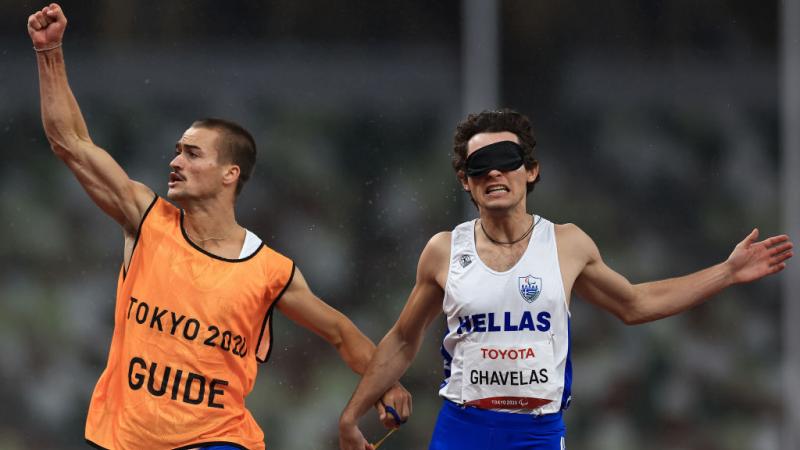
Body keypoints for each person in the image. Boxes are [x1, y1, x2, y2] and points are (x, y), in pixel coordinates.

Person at [27, 4, 410, 450]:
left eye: (192, 154)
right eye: (176, 151)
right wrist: (49, 51)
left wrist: (386, 384)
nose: (174, 162)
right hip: (125, 438)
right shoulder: (145, 219)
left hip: (217, 440)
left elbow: (341, 333)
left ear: (230, 173)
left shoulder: (269, 271)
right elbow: (70, 143)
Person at [338, 108, 794, 450]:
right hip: (465, 428)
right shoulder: (443, 250)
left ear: (530, 171)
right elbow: (402, 340)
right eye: (480, 165)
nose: (494, 171)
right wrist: (351, 416)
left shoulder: (567, 244)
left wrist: (728, 271)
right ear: (465, 181)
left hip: (536, 432)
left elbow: (634, 304)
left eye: (507, 159)